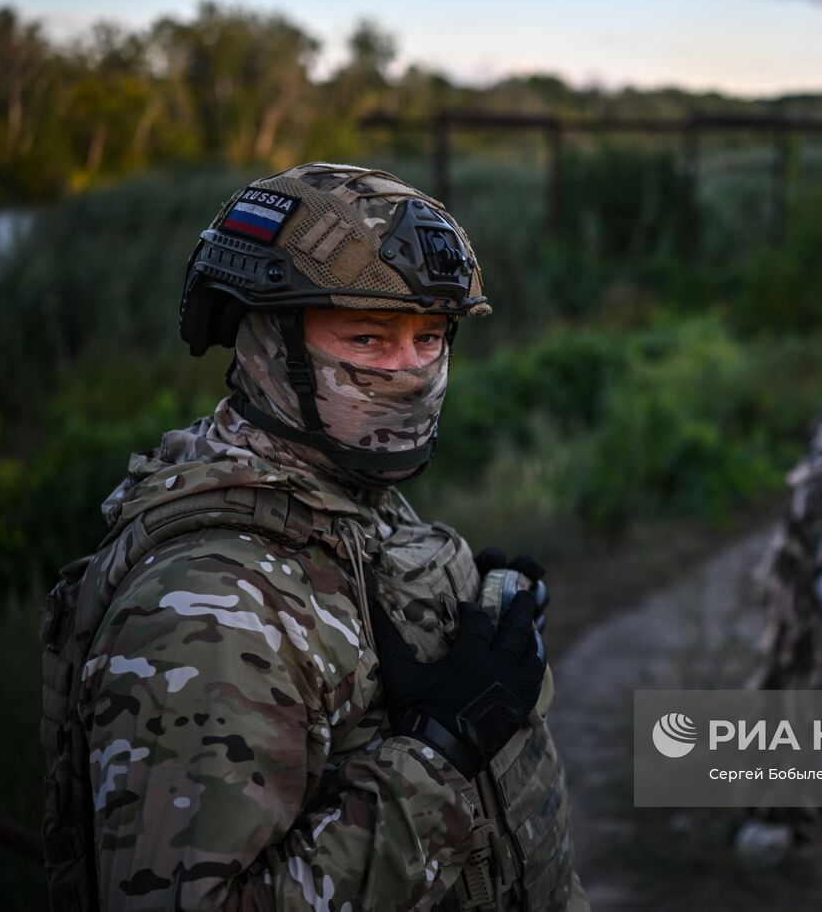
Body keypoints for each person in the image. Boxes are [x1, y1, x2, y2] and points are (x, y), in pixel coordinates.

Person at [39, 163, 588, 910]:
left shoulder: (337, 485)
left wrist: (454, 621)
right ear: (268, 343)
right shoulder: (204, 607)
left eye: (431, 336)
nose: (411, 369)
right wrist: (444, 751)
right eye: (368, 336)